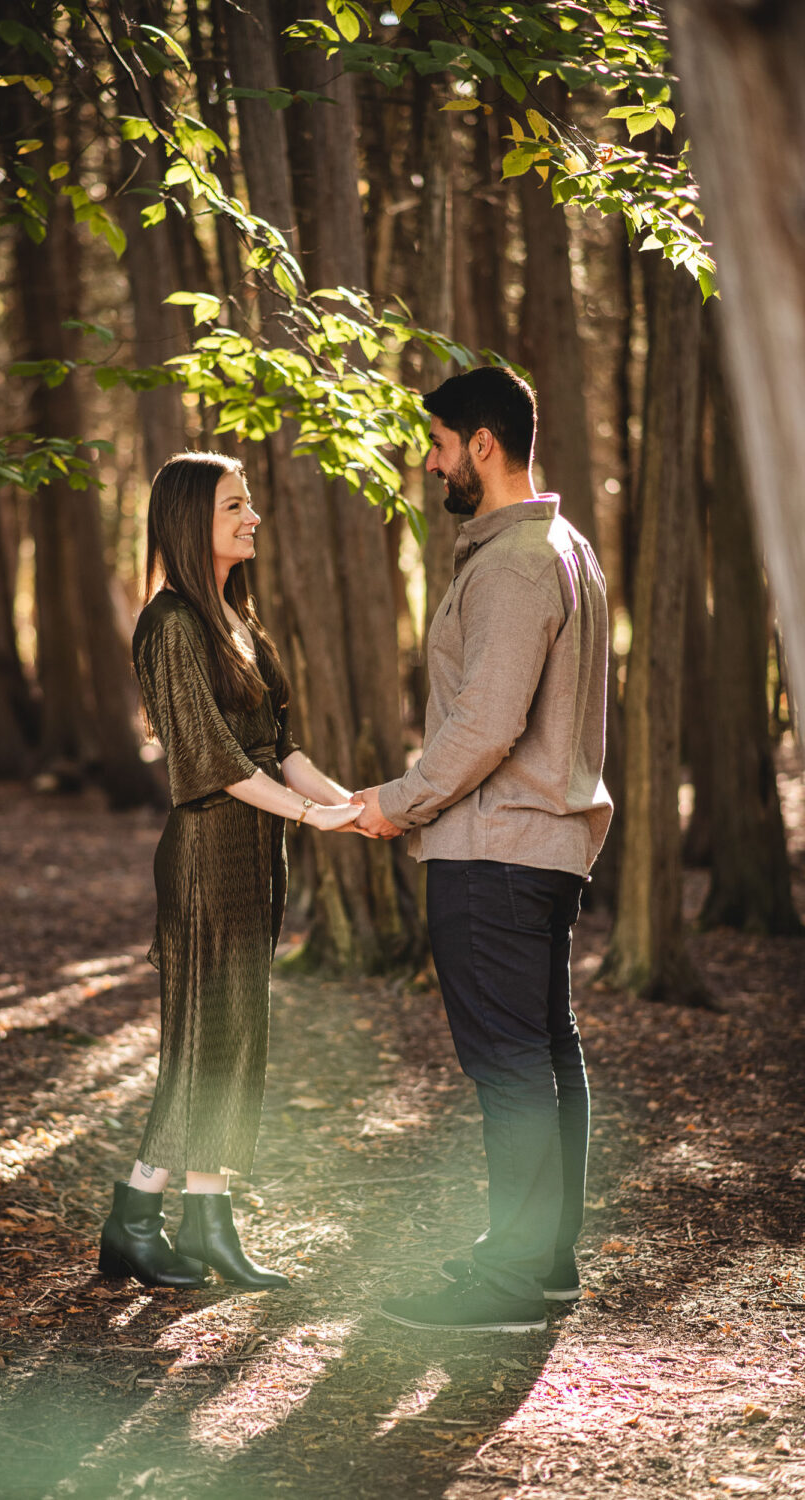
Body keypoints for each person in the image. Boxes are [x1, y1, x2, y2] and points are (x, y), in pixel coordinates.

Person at [353, 366, 613, 1334]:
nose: (431, 462)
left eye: (439, 443)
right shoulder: (565, 548)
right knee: (545, 1052)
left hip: (495, 851)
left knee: (512, 1065)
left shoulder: (512, 564)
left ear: (484, 446)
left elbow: (486, 723)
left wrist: (399, 803)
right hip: (541, 852)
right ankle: (540, 1264)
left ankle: (513, 1280)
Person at [98, 451, 360, 1292]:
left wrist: (349, 804)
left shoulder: (237, 623)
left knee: (237, 1041)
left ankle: (207, 1219)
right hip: (209, 854)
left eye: (249, 504)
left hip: (256, 855)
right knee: (201, 1045)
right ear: (188, 524)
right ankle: (134, 1221)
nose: (253, 518)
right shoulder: (170, 625)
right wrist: (314, 817)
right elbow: (218, 765)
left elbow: (282, 752)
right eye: (234, 507)